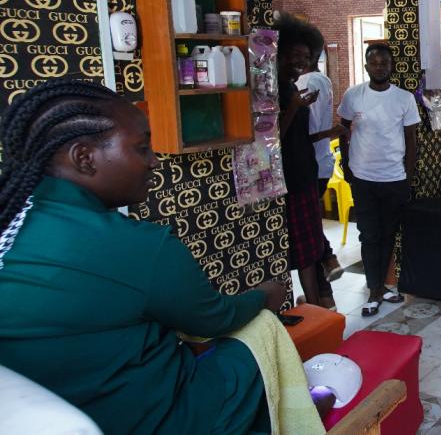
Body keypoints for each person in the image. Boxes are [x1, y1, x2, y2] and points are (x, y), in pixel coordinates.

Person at [0, 80, 287, 434]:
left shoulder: (13, 219)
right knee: (258, 344)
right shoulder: (135, 244)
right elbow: (215, 318)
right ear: (84, 158)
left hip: (40, 410)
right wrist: (264, 295)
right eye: (141, 148)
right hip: (137, 419)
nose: (154, 161)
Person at [338, 43, 420, 317]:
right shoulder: (353, 96)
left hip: (394, 178)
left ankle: (382, 287)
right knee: (369, 235)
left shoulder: (404, 99)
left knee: (388, 234)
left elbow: (411, 141)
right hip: (363, 178)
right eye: (374, 63)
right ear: (366, 66)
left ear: (392, 66)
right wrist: (347, 165)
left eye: (384, 62)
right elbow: (343, 132)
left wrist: (407, 177)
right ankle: (374, 290)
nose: (380, 67)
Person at [276, 16, 347, 308]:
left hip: (305, 171)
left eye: (306, 57)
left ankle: (319, 308)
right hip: (287, 179)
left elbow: (299, 137)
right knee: (302, 244)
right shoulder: (275, 91)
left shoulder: (295, 89)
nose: (301, 62)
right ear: (280, 54)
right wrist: (293, 107)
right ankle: (319, 296)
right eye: (295, 56)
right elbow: (274, 138)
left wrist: (328, 132)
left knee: (307, 246)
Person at [294, 29, 344, 282]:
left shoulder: (307, 83)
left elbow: (310, 130)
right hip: (321, 162)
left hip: (310, 164)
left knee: (307, 230)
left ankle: (328, 257)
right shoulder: (322, 80)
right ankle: (325, 295)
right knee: (311, 225)